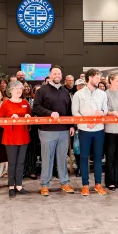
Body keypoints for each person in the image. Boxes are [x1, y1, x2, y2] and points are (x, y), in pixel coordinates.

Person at [33, 65, 74, 196]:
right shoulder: (42, 91)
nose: (57, 76)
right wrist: (50, 113)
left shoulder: (65, 91)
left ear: (61, 76)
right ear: (50, 75)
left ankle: (65, 182)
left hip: (63, 130)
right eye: (54, 73)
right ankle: (45, 184)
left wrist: (72, 125)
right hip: (47, 130)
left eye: (59, 74)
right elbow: (36, 107)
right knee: (47, 158)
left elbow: (69, 110)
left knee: (62, 158)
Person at [72, 69, 108, 196]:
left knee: (98, 157)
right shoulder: (78, 94)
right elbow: (75, 112)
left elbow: (105, 109)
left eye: (99, 77)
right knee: (83, 157)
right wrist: (85, 122)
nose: (99, 79)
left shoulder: (102, 94)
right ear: (89, 78)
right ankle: (85, 185)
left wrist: (102, 113)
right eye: (97, 77)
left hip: (99, 129)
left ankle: (98, 184)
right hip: (84, 130)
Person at [0, 81, 32, 198]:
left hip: (23, 136)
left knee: (21, 162)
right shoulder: (6, 104)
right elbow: (0, 121)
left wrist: (28, 117)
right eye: (16, 88)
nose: (19, 91)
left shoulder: (25, 103)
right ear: (11, 90)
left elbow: (30, 117)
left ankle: (19, 185)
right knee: (12, 163)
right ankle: (11, 186)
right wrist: (10, 119)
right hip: (10, 137)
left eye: (20, 89)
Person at [24, 84, 41, 180]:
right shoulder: (27, 101)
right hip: (28, 128)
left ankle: (33, 170)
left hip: (40, 129)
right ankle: (26, 170)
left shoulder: (43, 101)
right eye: (36, 91)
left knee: (34, 151)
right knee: (27, 151)